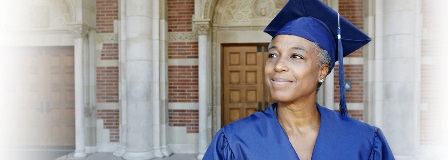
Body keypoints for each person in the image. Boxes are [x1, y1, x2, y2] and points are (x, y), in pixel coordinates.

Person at [203, 0, 394, 159]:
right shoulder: (234, 142)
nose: (278, 65)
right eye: (273, 55)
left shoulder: (364, 141)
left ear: (322, 71)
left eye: (296, 56)